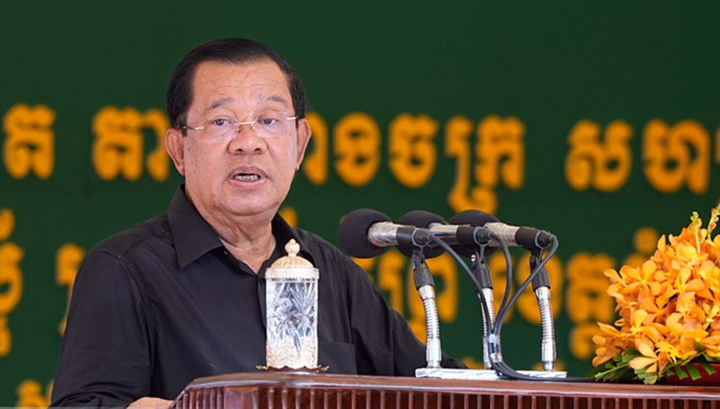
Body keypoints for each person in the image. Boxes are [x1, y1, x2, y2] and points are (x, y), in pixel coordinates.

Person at [51, 38, 461, 408]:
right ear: (178, 150)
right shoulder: (125, 270)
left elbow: (438, 391)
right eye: (221, 121)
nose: (248, 142)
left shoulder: (332, 273)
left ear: (300, 144)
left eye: (269, 120)